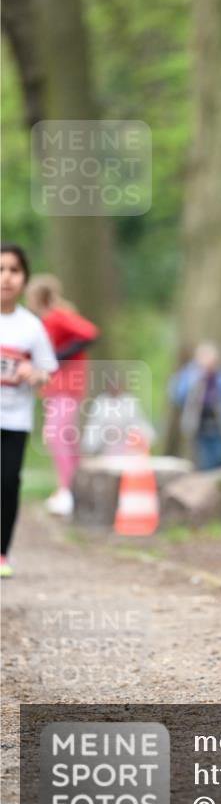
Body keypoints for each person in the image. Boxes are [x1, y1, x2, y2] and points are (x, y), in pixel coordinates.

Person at [1, 245, 58, 577]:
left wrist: (32, 374)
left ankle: (2, 553)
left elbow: (46, 372)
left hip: (14, 419)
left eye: (14, 270)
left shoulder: (31, 327)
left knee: (7, 483)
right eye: (0, 269)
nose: (6, 277)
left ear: (24, 278)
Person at [26, 274, 99, 516]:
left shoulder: (58, 316)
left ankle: (68, 490)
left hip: (66, 387)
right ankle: (70, 489)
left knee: (59, 438)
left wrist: (56, 358)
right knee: (63, 439)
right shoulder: (47, 320)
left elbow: (89, 333)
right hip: (56, 388)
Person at [169, 342, 221, 471]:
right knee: (204, 462)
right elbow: (177, 396)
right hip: (199, 427)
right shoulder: (190, 375)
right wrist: (197, 379)